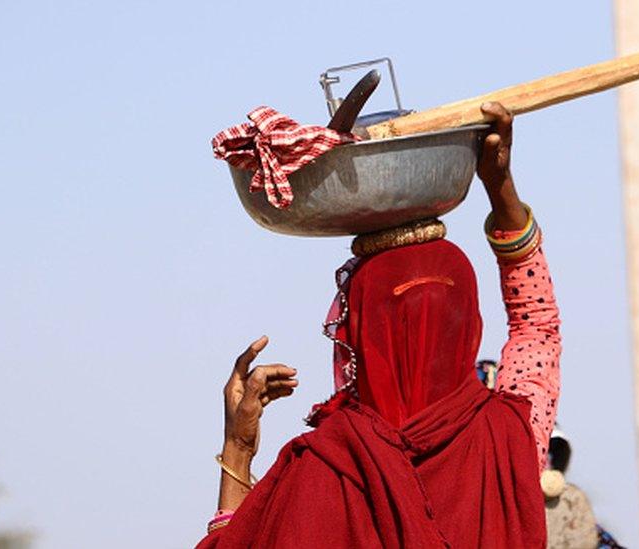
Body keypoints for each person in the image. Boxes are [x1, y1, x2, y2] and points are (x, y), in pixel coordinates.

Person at [197, 102, 562, 548]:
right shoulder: (514, 438)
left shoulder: (325, 468)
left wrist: (237, 446)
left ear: (354, 334)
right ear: (468, 323)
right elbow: (537, 326)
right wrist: (499, 184)